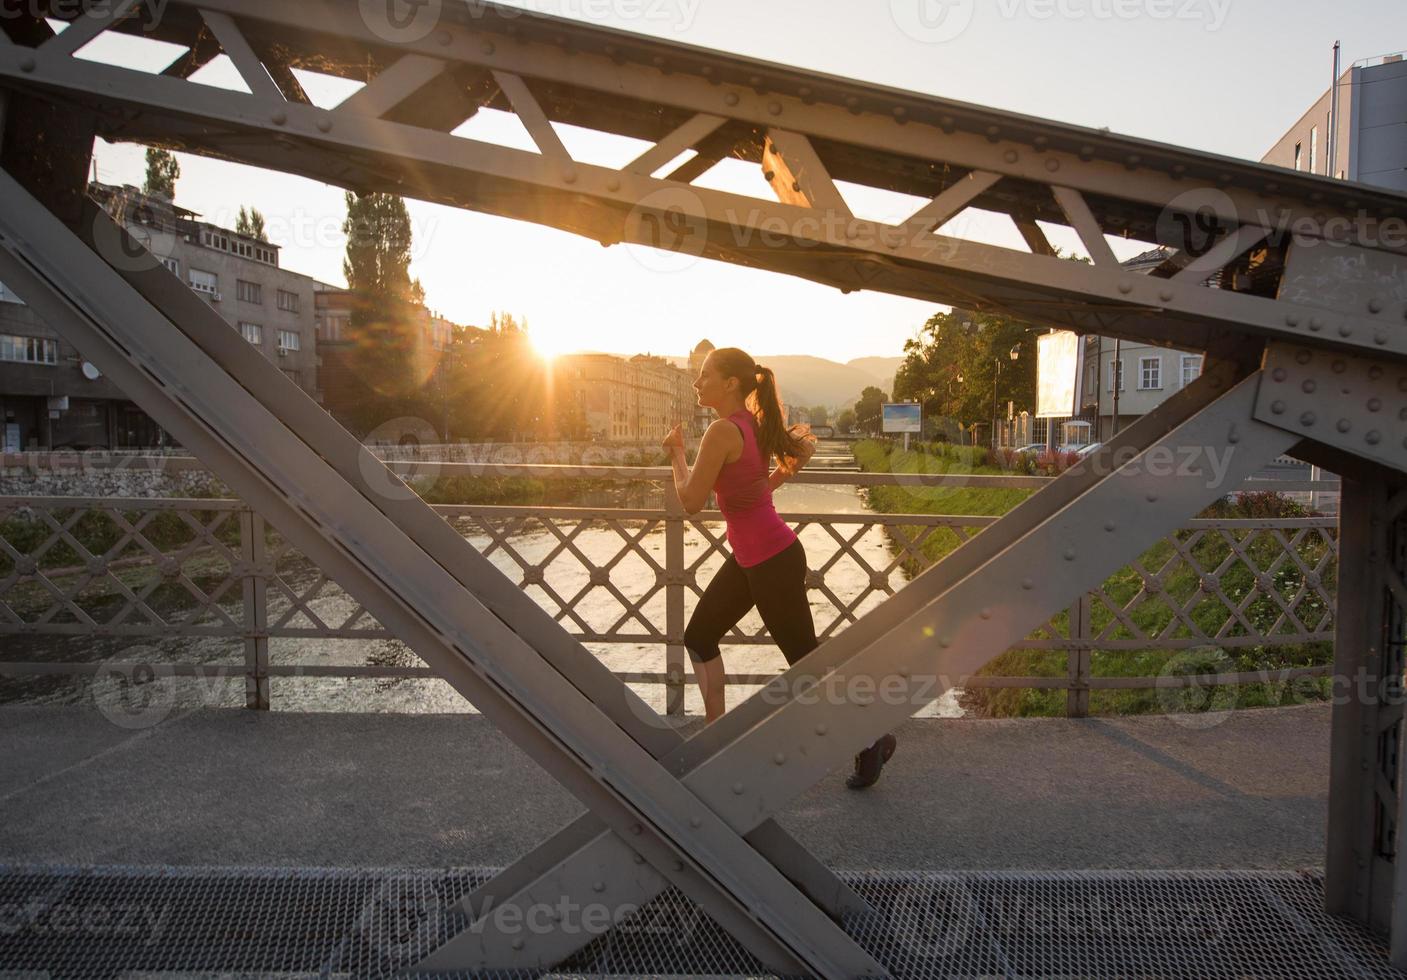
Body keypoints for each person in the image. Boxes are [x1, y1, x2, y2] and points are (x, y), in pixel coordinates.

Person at [662, 347, 898, 790]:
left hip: (771, 561)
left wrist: (676, 454)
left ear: (731, 383)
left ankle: (870, 740)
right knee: (699, 635)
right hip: (757, 556)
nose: (697, 384)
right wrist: (761, 494)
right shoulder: (753, 423)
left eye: (704, 375)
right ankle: (719, 744)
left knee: (805, 664)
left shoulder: (721, 431)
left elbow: (691, 502)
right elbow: (799, 454)